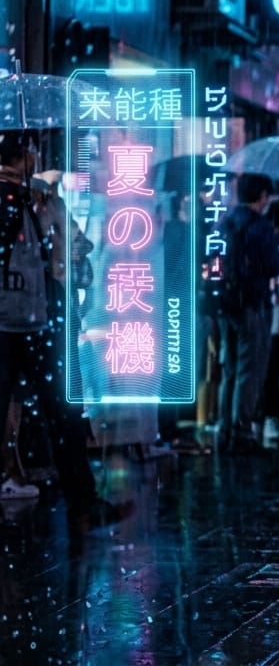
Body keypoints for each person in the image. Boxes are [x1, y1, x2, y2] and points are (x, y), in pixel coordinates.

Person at [0, 129, 130, 528]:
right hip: (39, 321)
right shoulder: (39, 199)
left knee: (59, 411)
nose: (37, 156)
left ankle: (83, 500)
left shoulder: (38, 197)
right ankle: (84, 503)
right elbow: (76, 253)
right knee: (63, 411)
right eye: (32, 149)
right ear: (25, 154)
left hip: (22, 320)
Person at [213, 174, 279, 452]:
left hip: (227, 302)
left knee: (230, 367)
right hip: (251, 302)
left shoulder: (226, 222)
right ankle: (242, 431)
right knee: (250, 367)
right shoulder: (260, 226)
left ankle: (225, 428)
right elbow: (271, 264)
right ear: (263, 196)